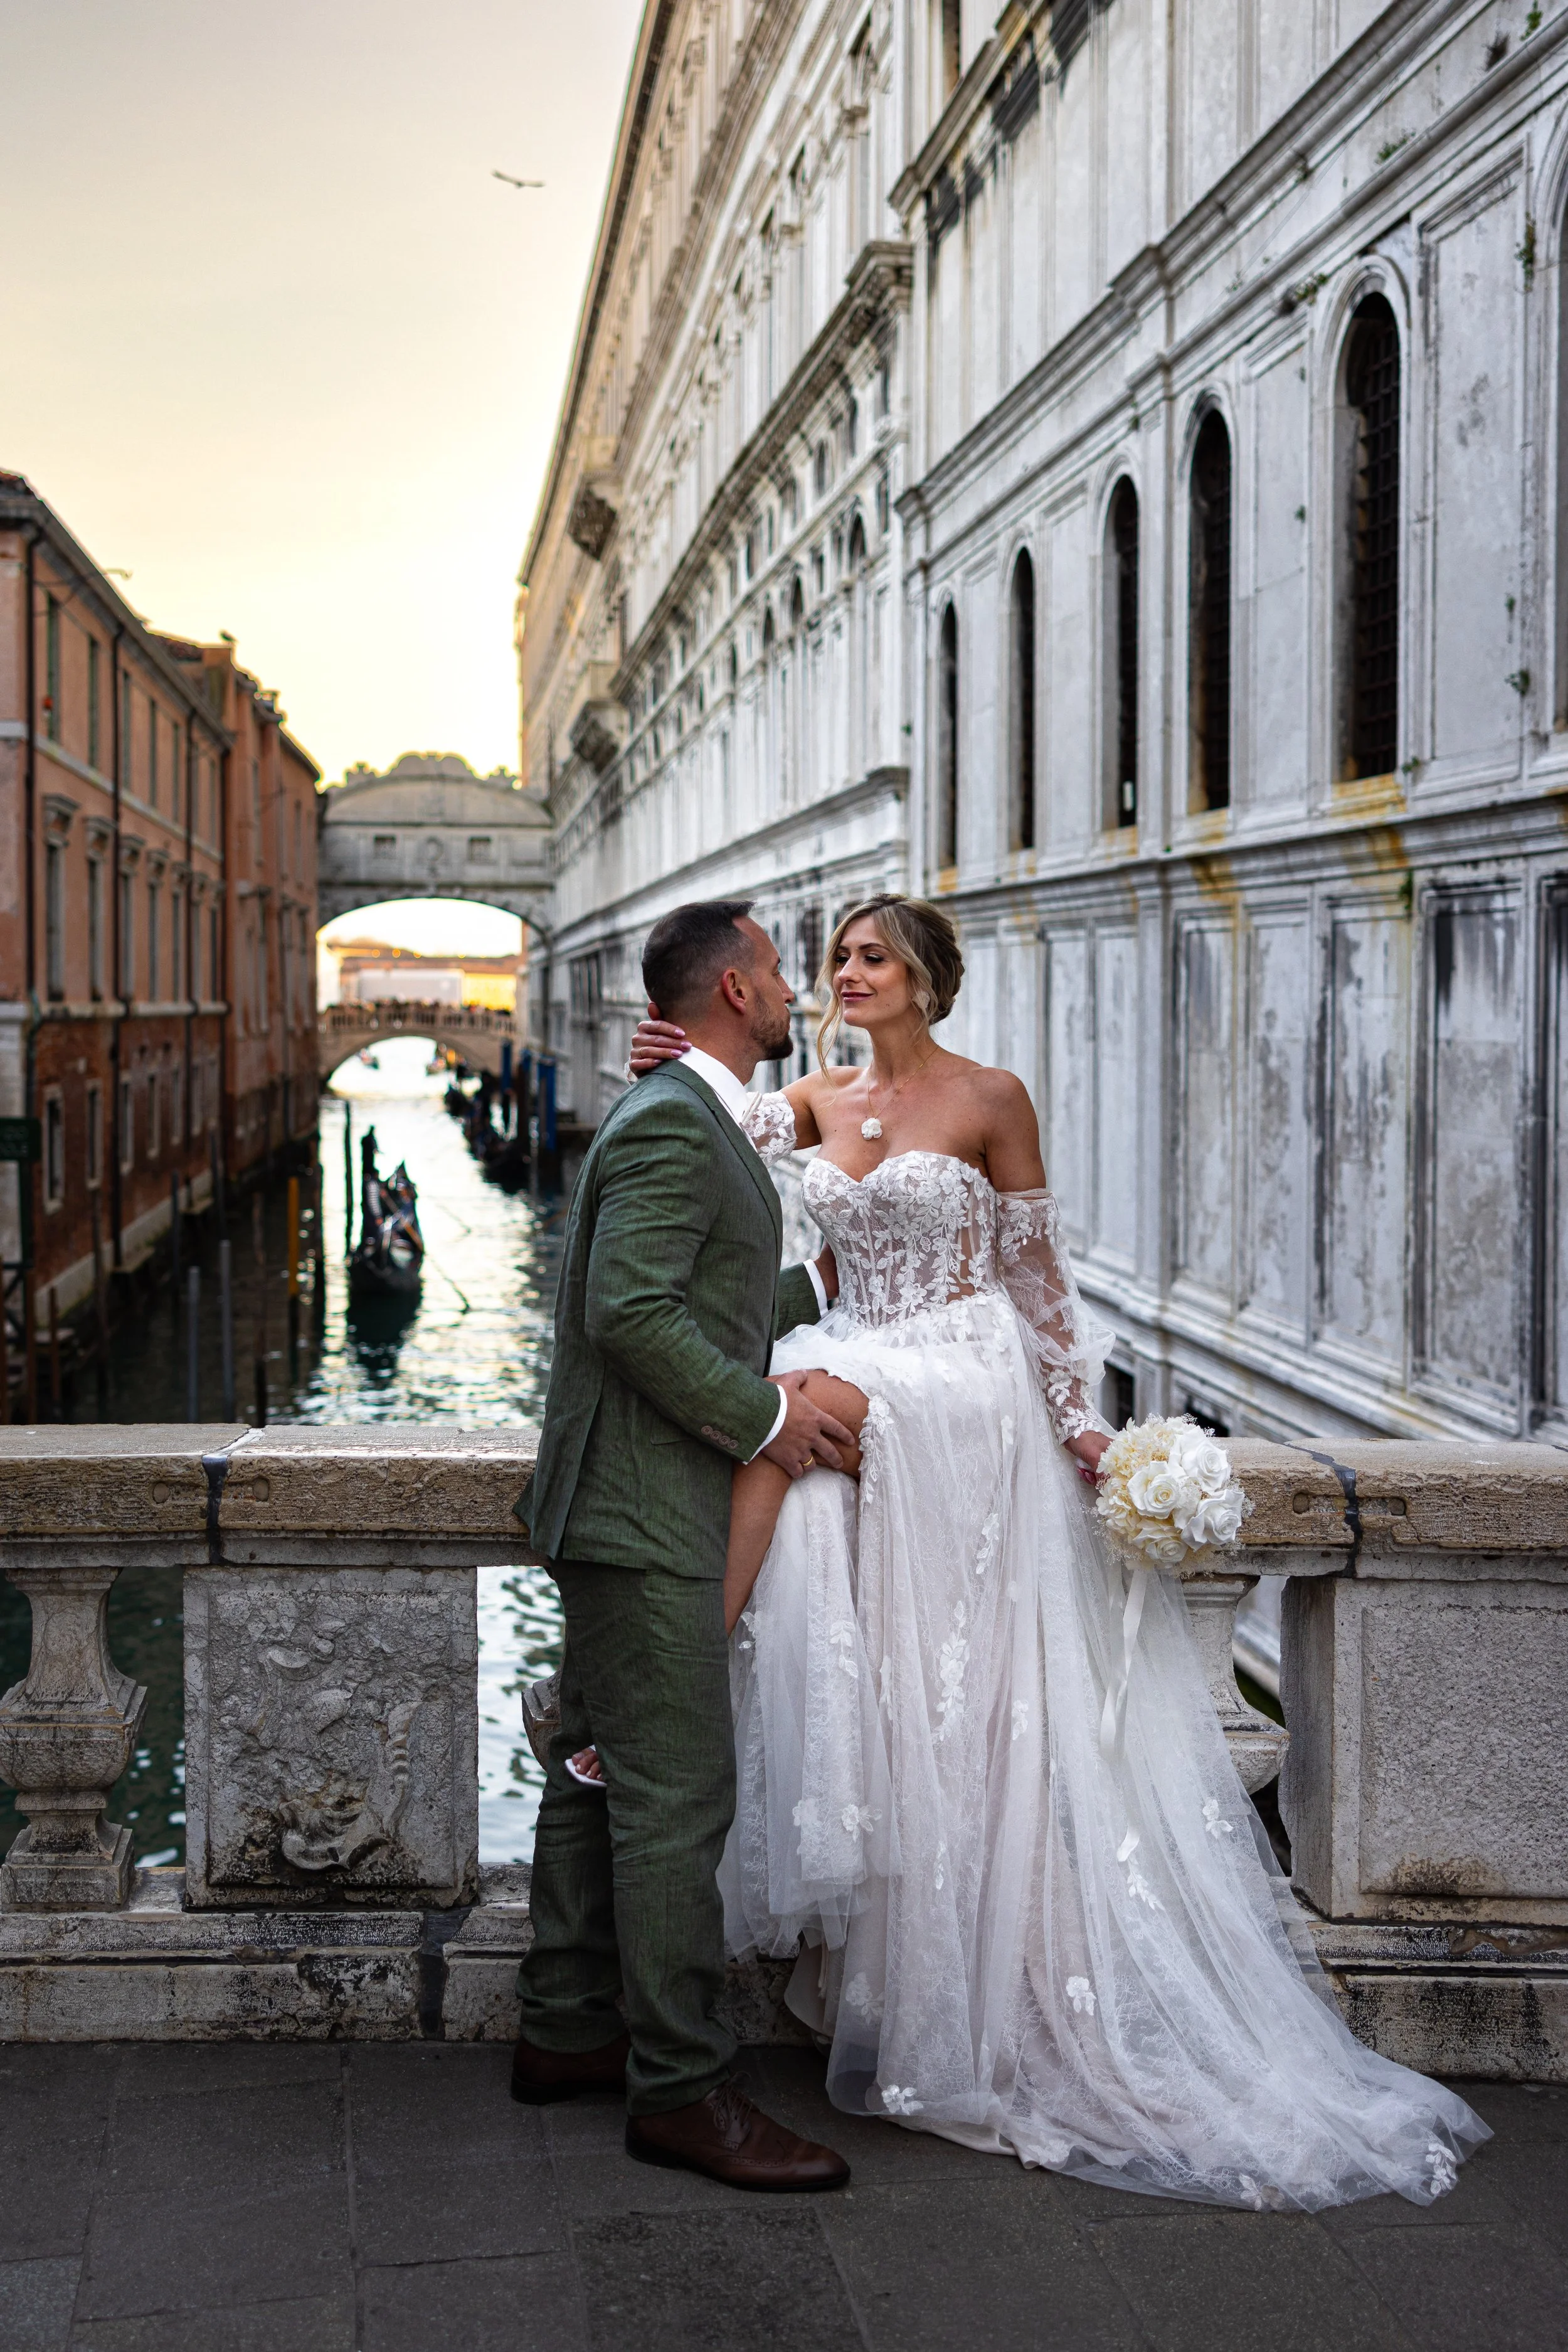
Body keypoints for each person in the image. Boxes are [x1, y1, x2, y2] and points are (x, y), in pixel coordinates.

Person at [612, 890, 1488, 2211]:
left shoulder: (989, 1097)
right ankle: (889, 1941)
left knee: (864, 1555)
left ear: (921, 978)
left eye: (870, 956)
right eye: (836, 956)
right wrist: (667, 1063)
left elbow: (1038, 1284)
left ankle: (662, 1694)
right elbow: (714, 1128)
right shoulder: (812, 1100)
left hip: (963, 1391)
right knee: (872, 1630)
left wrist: (1083, 1429)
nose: (845, 973)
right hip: (860, 1359)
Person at [511, 898, 855, 2193]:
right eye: (774, 966)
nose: (789, 986)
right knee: (674, 1799)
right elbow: (625, 1308)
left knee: (593, 1769)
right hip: (646, 1510)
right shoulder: (672, 1120)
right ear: (731, 985)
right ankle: (680, 2088)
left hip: (621, 1501)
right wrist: (767, 1415)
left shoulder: (681, 1111)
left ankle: (563, 2028)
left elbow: (690, 1291)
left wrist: (817, 1294)